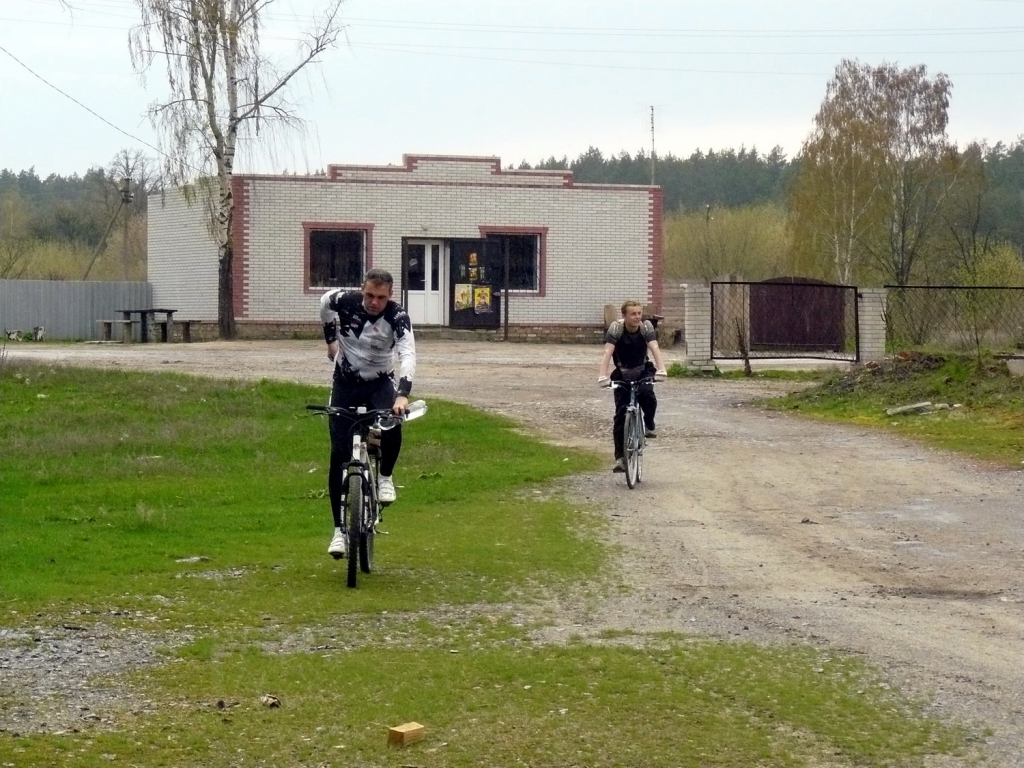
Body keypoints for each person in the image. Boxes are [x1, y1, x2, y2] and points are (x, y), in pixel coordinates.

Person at [320, 268, 416, 558]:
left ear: (390, 295)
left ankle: (385, 477)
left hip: (380, 382)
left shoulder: (398, 317)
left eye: (381, 298)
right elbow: (324, 304)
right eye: (370, 295)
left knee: (392, 421)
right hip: (345, 381)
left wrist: (402, 394)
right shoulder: (344, 301)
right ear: (362, 290)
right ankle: (339, 532)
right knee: (338, 454)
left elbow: (407, 353)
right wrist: (330, 341)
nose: (374, 302)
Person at [598, 300, 667, 473]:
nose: (637, 317)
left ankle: (649, 424)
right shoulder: (616, 329)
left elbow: (655, 348)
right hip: (622, 373)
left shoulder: (646, 328)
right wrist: (602, 375)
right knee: (620, 416)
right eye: (633, 314)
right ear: (624, 315)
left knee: (647, 394)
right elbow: (607, 352)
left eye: (639, 313)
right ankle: (621, 459)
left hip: (642, 370)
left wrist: (662, 369)